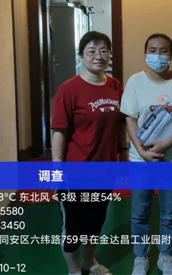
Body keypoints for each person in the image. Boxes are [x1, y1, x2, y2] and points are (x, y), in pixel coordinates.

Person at [121, 33, 172, 275]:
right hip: (141, 159)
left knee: (170, 211)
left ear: (171, 54)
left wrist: (166, 144)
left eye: (163, 50)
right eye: (152, 50)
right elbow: (130, 118)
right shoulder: (135, 81)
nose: (158, 55)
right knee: (139, 211)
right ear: (145, 53)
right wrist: (141, 150)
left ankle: (165, 256)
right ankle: (140, 257)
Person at [51, 31, 127, 275]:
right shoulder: (69, 89)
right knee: (73, 226)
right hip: (75, 173)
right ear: (81, 56)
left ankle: (89, 262)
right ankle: (74, 270)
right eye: (92, 51)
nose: (98, 56)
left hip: (105, 169)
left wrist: (123, 155)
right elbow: (59, 131)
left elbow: (121, 125)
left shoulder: (115, 86)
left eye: (104, 50)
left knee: (96, 221)